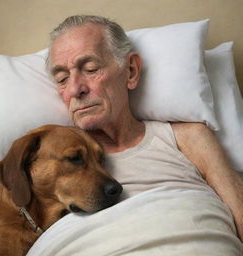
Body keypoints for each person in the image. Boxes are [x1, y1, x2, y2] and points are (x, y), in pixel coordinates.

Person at [47, 15, 243, 242]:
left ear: (131, 71)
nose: (74, 89)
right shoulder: (49, 158)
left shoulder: (187, 138)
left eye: (91, 69)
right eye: (62, 78)